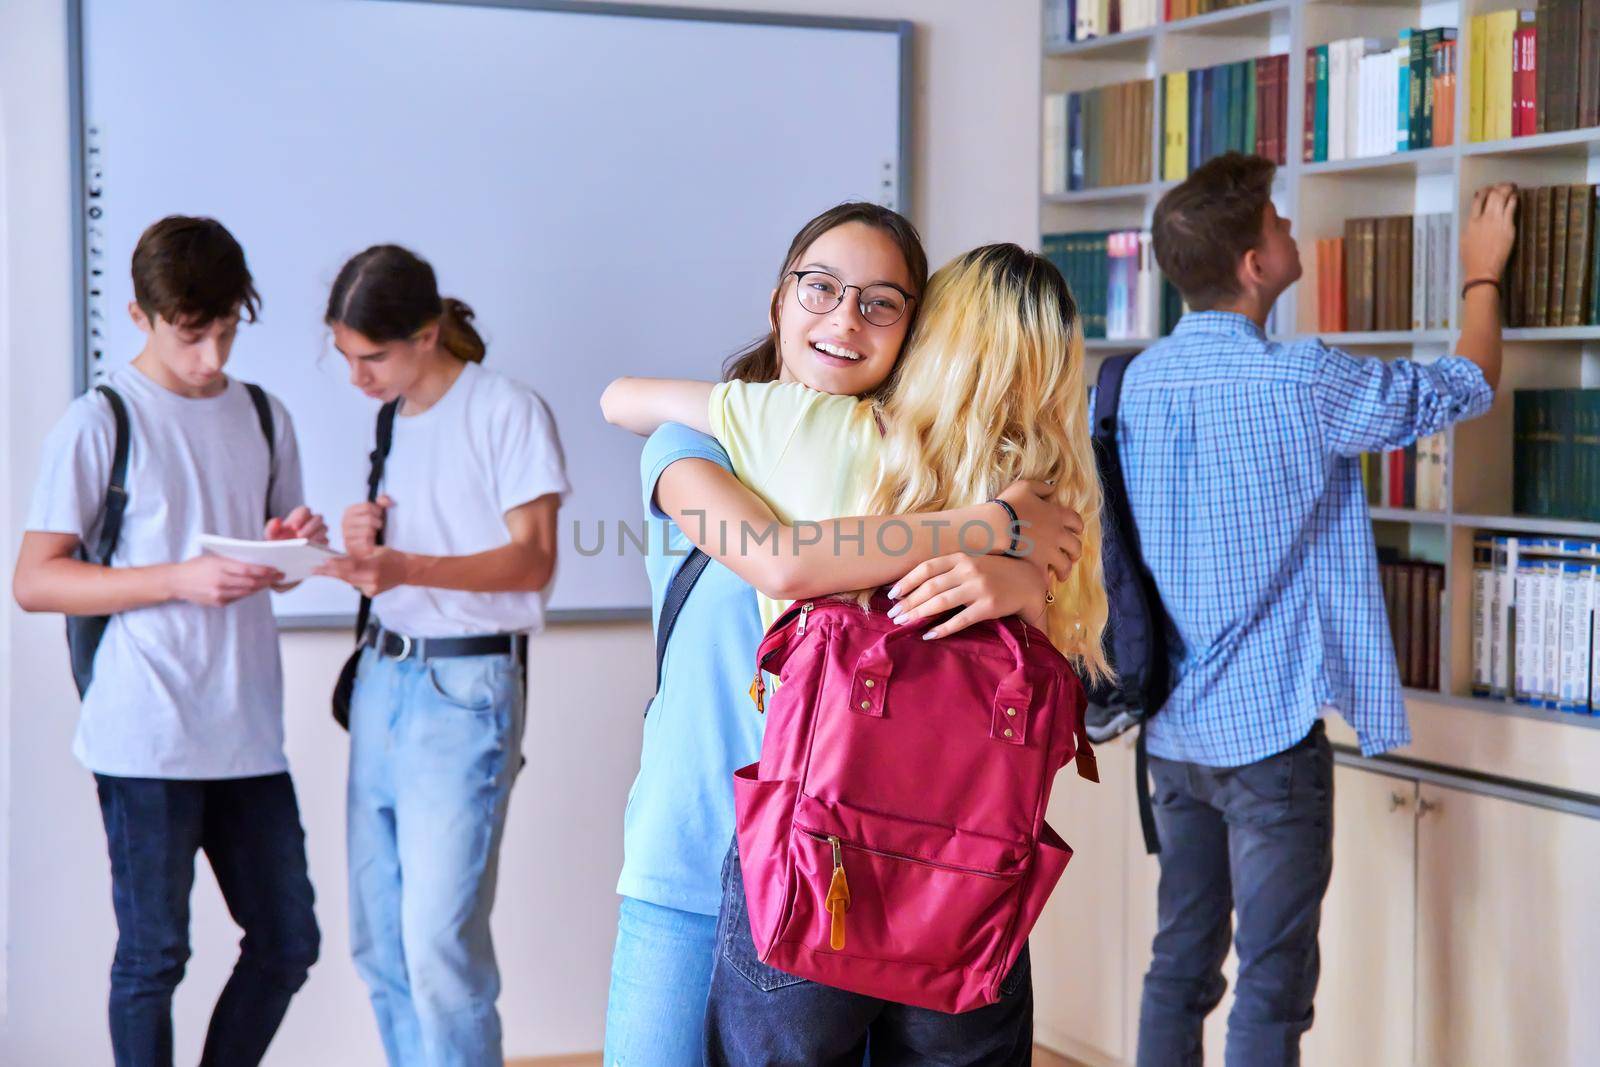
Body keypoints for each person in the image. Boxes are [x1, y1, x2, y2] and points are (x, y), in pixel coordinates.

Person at [600, 204, 1083, 1067]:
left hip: (856, 870)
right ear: (780, 299)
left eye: (882, 303)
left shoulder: (915, 473)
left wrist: (1012, 577)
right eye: (819, 288)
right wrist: (986, 528)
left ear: (916, 334)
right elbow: (778, 560)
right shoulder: (692, 445)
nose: (844, 319)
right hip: (691, 849)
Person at [1117, 153, 1516, 1066]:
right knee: (1271, 981)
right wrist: (1482, 271)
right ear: (1255, 265)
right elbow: (1467, 385)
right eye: (1279, 222)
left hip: (1172, 735)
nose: (1293, 232)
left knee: (1178, 966)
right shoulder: (1302, 380)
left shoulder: (1133, 383)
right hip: (1269, 739)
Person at [12, 215, 324, 1067]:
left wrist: (289, 544)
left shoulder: (264, 414)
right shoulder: (100, 421)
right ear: (140, 316)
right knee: (155, 959)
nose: (214, 358)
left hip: (248, 731)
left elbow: (289, 569)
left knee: (288, 941)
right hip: (145, 732)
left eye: (226, 330)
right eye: (194, 336)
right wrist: (176, 578)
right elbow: (36, 579)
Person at [315, 245, 568, 1067]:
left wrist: (405, 565)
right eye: (345, 356)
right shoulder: (389, 417)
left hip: (465, 686)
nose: (357, 376)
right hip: (385, 678)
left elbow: (532, 560)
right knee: (379, 942)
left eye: (372, 357)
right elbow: (407, 551)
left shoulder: (505, 409)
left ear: (427, 334)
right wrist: (368, 545)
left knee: (438, 948)